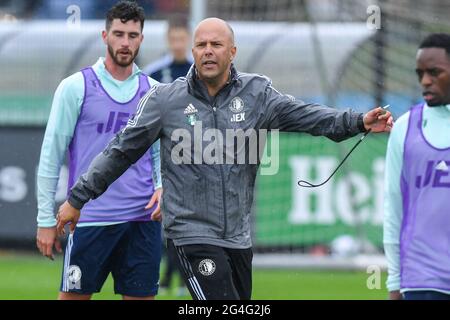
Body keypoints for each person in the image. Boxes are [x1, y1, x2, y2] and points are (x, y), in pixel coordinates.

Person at [56, 17, 393, 300]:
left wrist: (357, 121)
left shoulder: (258, 94)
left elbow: (309, 116)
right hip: (191, 234)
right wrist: (77, 197)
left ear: (232, 52)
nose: (208, 51)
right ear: (193, 52)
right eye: (201, 45)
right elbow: (120, 151)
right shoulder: (165, 100)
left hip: (238, 237)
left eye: (216, 45)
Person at [36, 1, 162, 300]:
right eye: (118, 34)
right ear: (104, 36)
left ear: (141, 39)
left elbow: (160, 153)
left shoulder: (155, 92)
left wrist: (162, 185)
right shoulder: (75, 87)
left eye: (133, 35)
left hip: (141, 222)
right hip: (90, 218)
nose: (125, 42)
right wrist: (44, 221)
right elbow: (51, 155)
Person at [383, 33, 450, 300]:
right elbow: (393, 206)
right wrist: (395, 280)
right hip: (421, 280)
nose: (425, 81)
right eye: (420, 73)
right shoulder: (405, 127)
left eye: (435, 72)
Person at [143, 15, 192, 297]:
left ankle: (172, 279)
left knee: (181, 219)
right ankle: (172, 278)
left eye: (181, 39)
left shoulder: (197, 69)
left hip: (191, 155)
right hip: (163, 154)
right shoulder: (155, 72)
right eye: (173, 39)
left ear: (187, 40)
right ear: (167, 40)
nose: (177, 44)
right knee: (168, 219)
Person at [143, 15, 193, 83]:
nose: (177, 46)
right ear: (167, 38)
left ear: (189, 38)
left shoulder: (199, 70)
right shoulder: (152, 73)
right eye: (173, 40)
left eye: (182, 39)